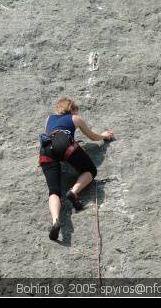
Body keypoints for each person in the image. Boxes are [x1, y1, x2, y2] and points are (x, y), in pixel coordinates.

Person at [39, 97, 114, 241]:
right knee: (90, 170)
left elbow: (51, 133)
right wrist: (104, 136)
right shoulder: (75, 118)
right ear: (72, 109)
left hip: (46, 148)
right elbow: (92, 137)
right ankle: (73, 192)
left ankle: (55, 220)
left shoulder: (49, 118)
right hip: (64, 144)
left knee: (54, 191)